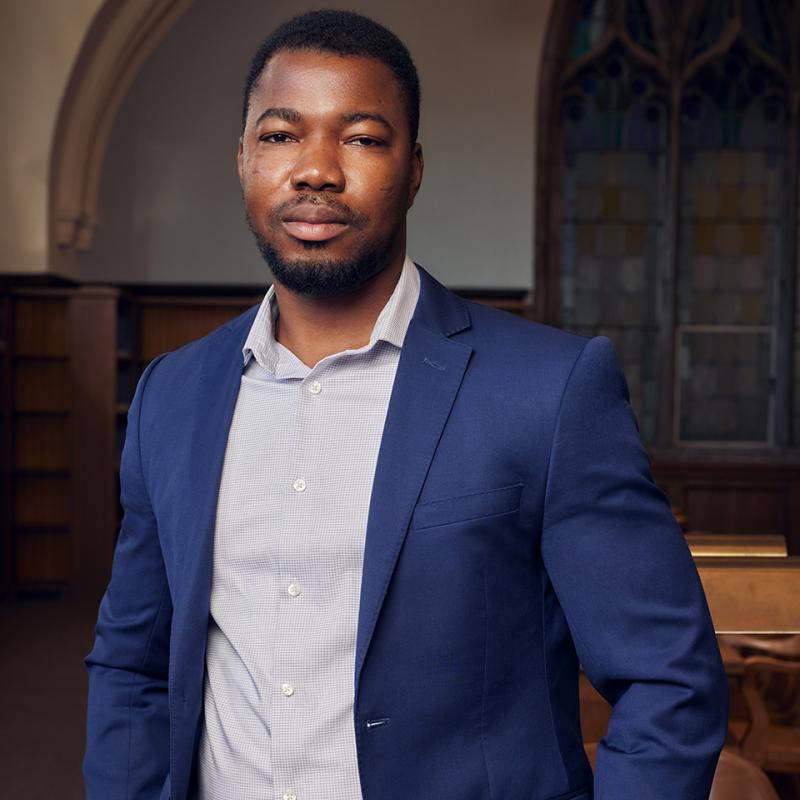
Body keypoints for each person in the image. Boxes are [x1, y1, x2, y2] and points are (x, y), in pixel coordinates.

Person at [83, 10, 728, 800]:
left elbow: (670, 682)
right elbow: (132, 662)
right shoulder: (170, 397)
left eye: (360, 137)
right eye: (282, 135)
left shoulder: (549, 391)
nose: (315, 169)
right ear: (244, 159)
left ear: (413, 167)